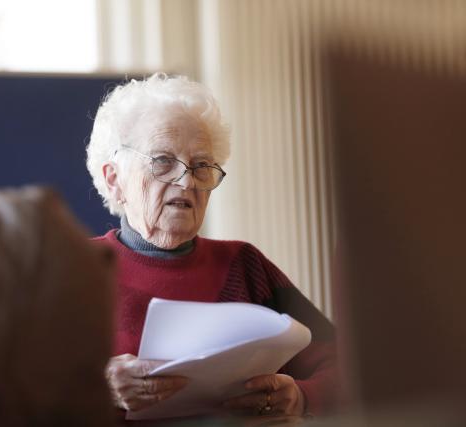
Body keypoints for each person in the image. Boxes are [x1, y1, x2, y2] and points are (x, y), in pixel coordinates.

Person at [86, 73, 337, 420]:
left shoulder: (245, 265)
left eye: (201, 166)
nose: (186, 181)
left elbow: (349, 367)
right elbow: (10, 387)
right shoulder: (75, 269)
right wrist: (98, 387)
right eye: (162, 161)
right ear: (114, 179)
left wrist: (301, 397)